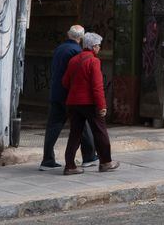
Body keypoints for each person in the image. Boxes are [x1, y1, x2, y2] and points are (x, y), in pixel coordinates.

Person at [39, 25, 97, 170]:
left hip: (56, 93)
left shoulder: (59, 49)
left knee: (53, 126)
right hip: (69, 95)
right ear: (82, 38)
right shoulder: (77, 52)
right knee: (82, 125)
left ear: (68, 34)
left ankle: (47, 159)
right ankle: (89, 157)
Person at [63, 32, 119, 174]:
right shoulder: (94, 61)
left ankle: (69, 166)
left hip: (73, 103)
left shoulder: (73, 60)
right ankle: (106, 162)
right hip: (89, 103)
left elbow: (65, 82)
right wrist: (102, 106)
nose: (99, 48)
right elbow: (97, 87)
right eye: (99, 46)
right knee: (100, 131)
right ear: (94, 47)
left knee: (75, 134)